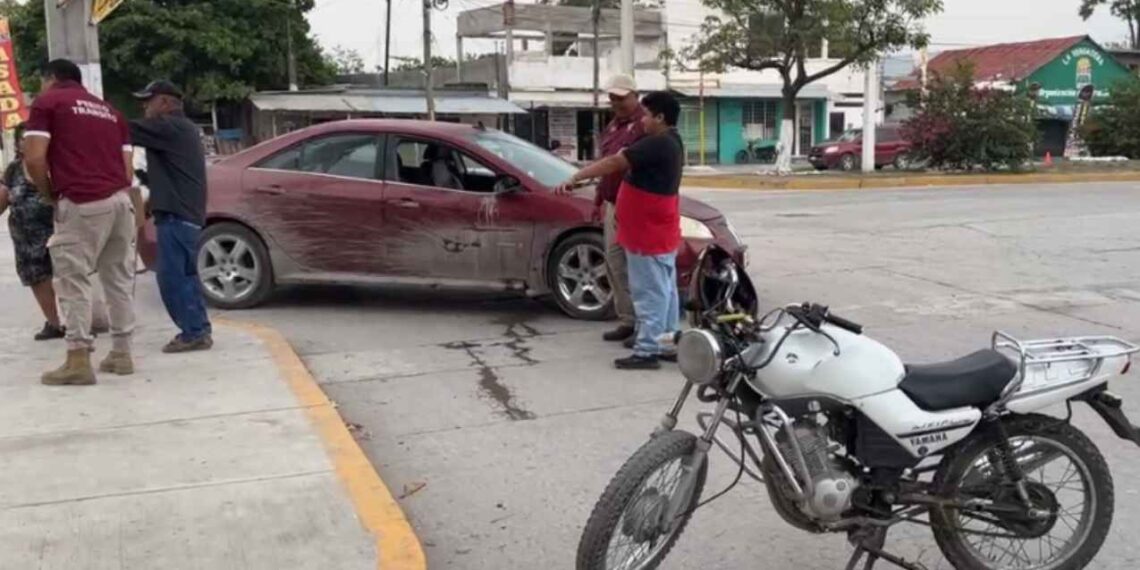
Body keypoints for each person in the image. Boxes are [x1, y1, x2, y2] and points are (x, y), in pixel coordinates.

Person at [24, 59, 138, 385]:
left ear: (50, 78)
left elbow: (34, 157)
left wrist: (50, 194)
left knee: (72, 280)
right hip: (120, 202)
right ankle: (121, 353)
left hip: (83, 201)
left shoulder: (49, 103)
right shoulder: (110, 112)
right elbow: (127, 170)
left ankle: (78, 359)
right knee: (117, 280)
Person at [555, 91, 684, 370]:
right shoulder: (670, 142)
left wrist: (577, 176)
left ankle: (647, 350)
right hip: (656, 228)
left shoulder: (657, 143)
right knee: (665, 290)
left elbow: (614, 162)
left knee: (649, 292)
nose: (643, 120)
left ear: (660, 118)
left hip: (647, 231)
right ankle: (666, 344)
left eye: (647, 115)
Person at [129, 80, 213, 353]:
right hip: (183, 215)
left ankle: (194, 332)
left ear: (165, 103)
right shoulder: (181, 129)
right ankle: (198, 329)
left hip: (178, 217)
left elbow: (123, 130)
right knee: (185, 277)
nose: (144, 107)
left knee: (172, 277)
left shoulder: (170, 126)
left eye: (148, 100)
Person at [590, 74, 644, 344]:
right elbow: (606, 168)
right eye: (612, 97)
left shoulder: (645, 125)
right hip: (613, 205)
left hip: (635, 206)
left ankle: (645, 325)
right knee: (615, 263)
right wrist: (599, 200)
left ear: (636, 96)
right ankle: (628, 319)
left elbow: (617, 164)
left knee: (639, 268)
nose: (616, 103)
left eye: (621, 98)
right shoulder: (612, 126)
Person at [0, 124, 64, 340]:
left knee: (68, 276)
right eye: (22, 139)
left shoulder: (56, 165)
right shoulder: (13, 169)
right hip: (25, 238)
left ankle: (77, 321)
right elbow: (3, 196)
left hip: (58, 230)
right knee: (37, 278)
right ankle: (54, 323)